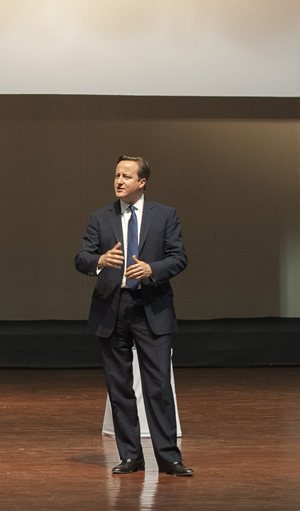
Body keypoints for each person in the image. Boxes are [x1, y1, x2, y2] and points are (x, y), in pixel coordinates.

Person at [74, 156, 193, 477]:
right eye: (116, 175)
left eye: (127, 176)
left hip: (151, 307)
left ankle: (169, 458)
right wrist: (100, 259)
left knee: (158, 387)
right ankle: (130, 456)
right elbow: (82, 258)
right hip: (112, 309)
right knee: (120, 387)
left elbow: (179, 257)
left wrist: (152, 269)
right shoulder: (100, 217)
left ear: (142, 182)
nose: (119, 181)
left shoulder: (165, 215)